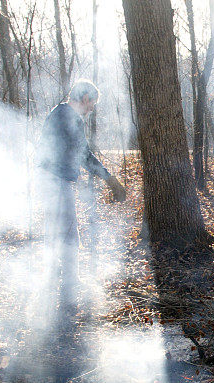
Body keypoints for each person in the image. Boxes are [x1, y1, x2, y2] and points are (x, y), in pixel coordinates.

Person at [37, 79, 126, 315]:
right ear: (85, 98)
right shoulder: (68, 117)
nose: (92, 108)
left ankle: (51, 289)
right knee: (68, 237)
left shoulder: (60, 114)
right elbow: (84, 155)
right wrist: (110, 180)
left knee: (56, 234)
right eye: (92, 103)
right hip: (55, 181)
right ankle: (68, 294)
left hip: (49, 179)